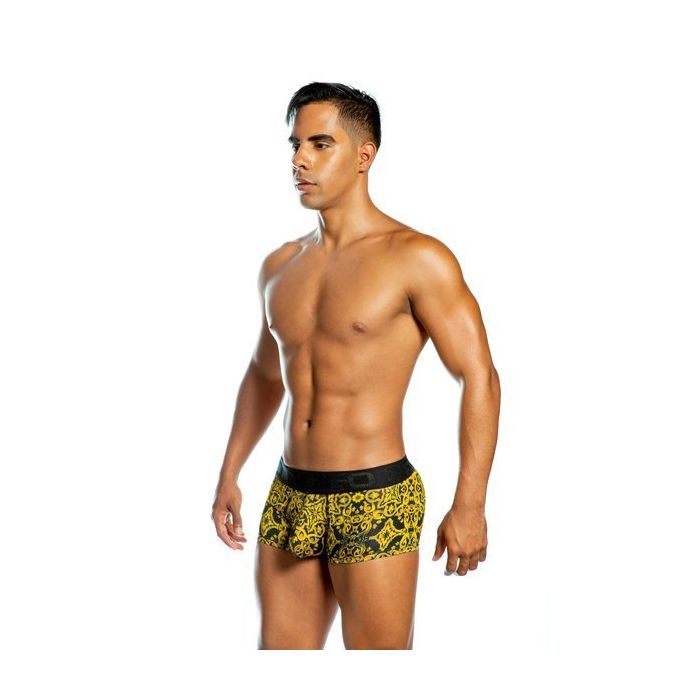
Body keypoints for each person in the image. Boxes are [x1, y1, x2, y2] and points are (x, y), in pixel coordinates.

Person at [211, 82, 501, 650]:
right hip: (291, 493)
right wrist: (229, 472)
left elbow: (479, 376)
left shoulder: (417, 258)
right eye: (295, 144)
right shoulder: (280, 265)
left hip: (374, 495)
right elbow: (265, 374)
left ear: (364, 155)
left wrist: (470, 503)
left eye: (321, 144)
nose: (299, 160)